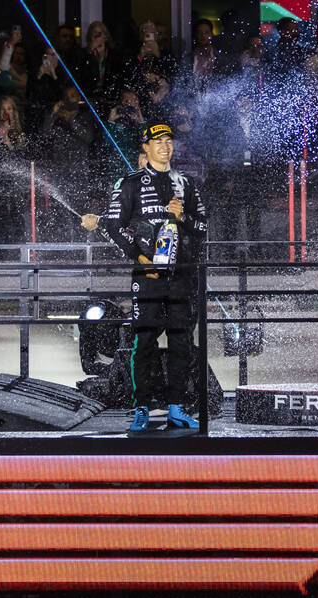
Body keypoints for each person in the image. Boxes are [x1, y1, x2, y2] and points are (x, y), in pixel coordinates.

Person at [84, 122, 208, 432]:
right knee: (145, 341)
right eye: (158, 142)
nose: (165, 146)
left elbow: (204, 228)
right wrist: (140, 259)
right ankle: (142, 407)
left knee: (182, 342)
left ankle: (177, 408)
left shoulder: (188, 184)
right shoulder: (129, 183)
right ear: (146, 148)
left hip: (182, 276)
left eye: (168, 140)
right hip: (148, 275)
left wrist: (184, 218)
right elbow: (113, 226)